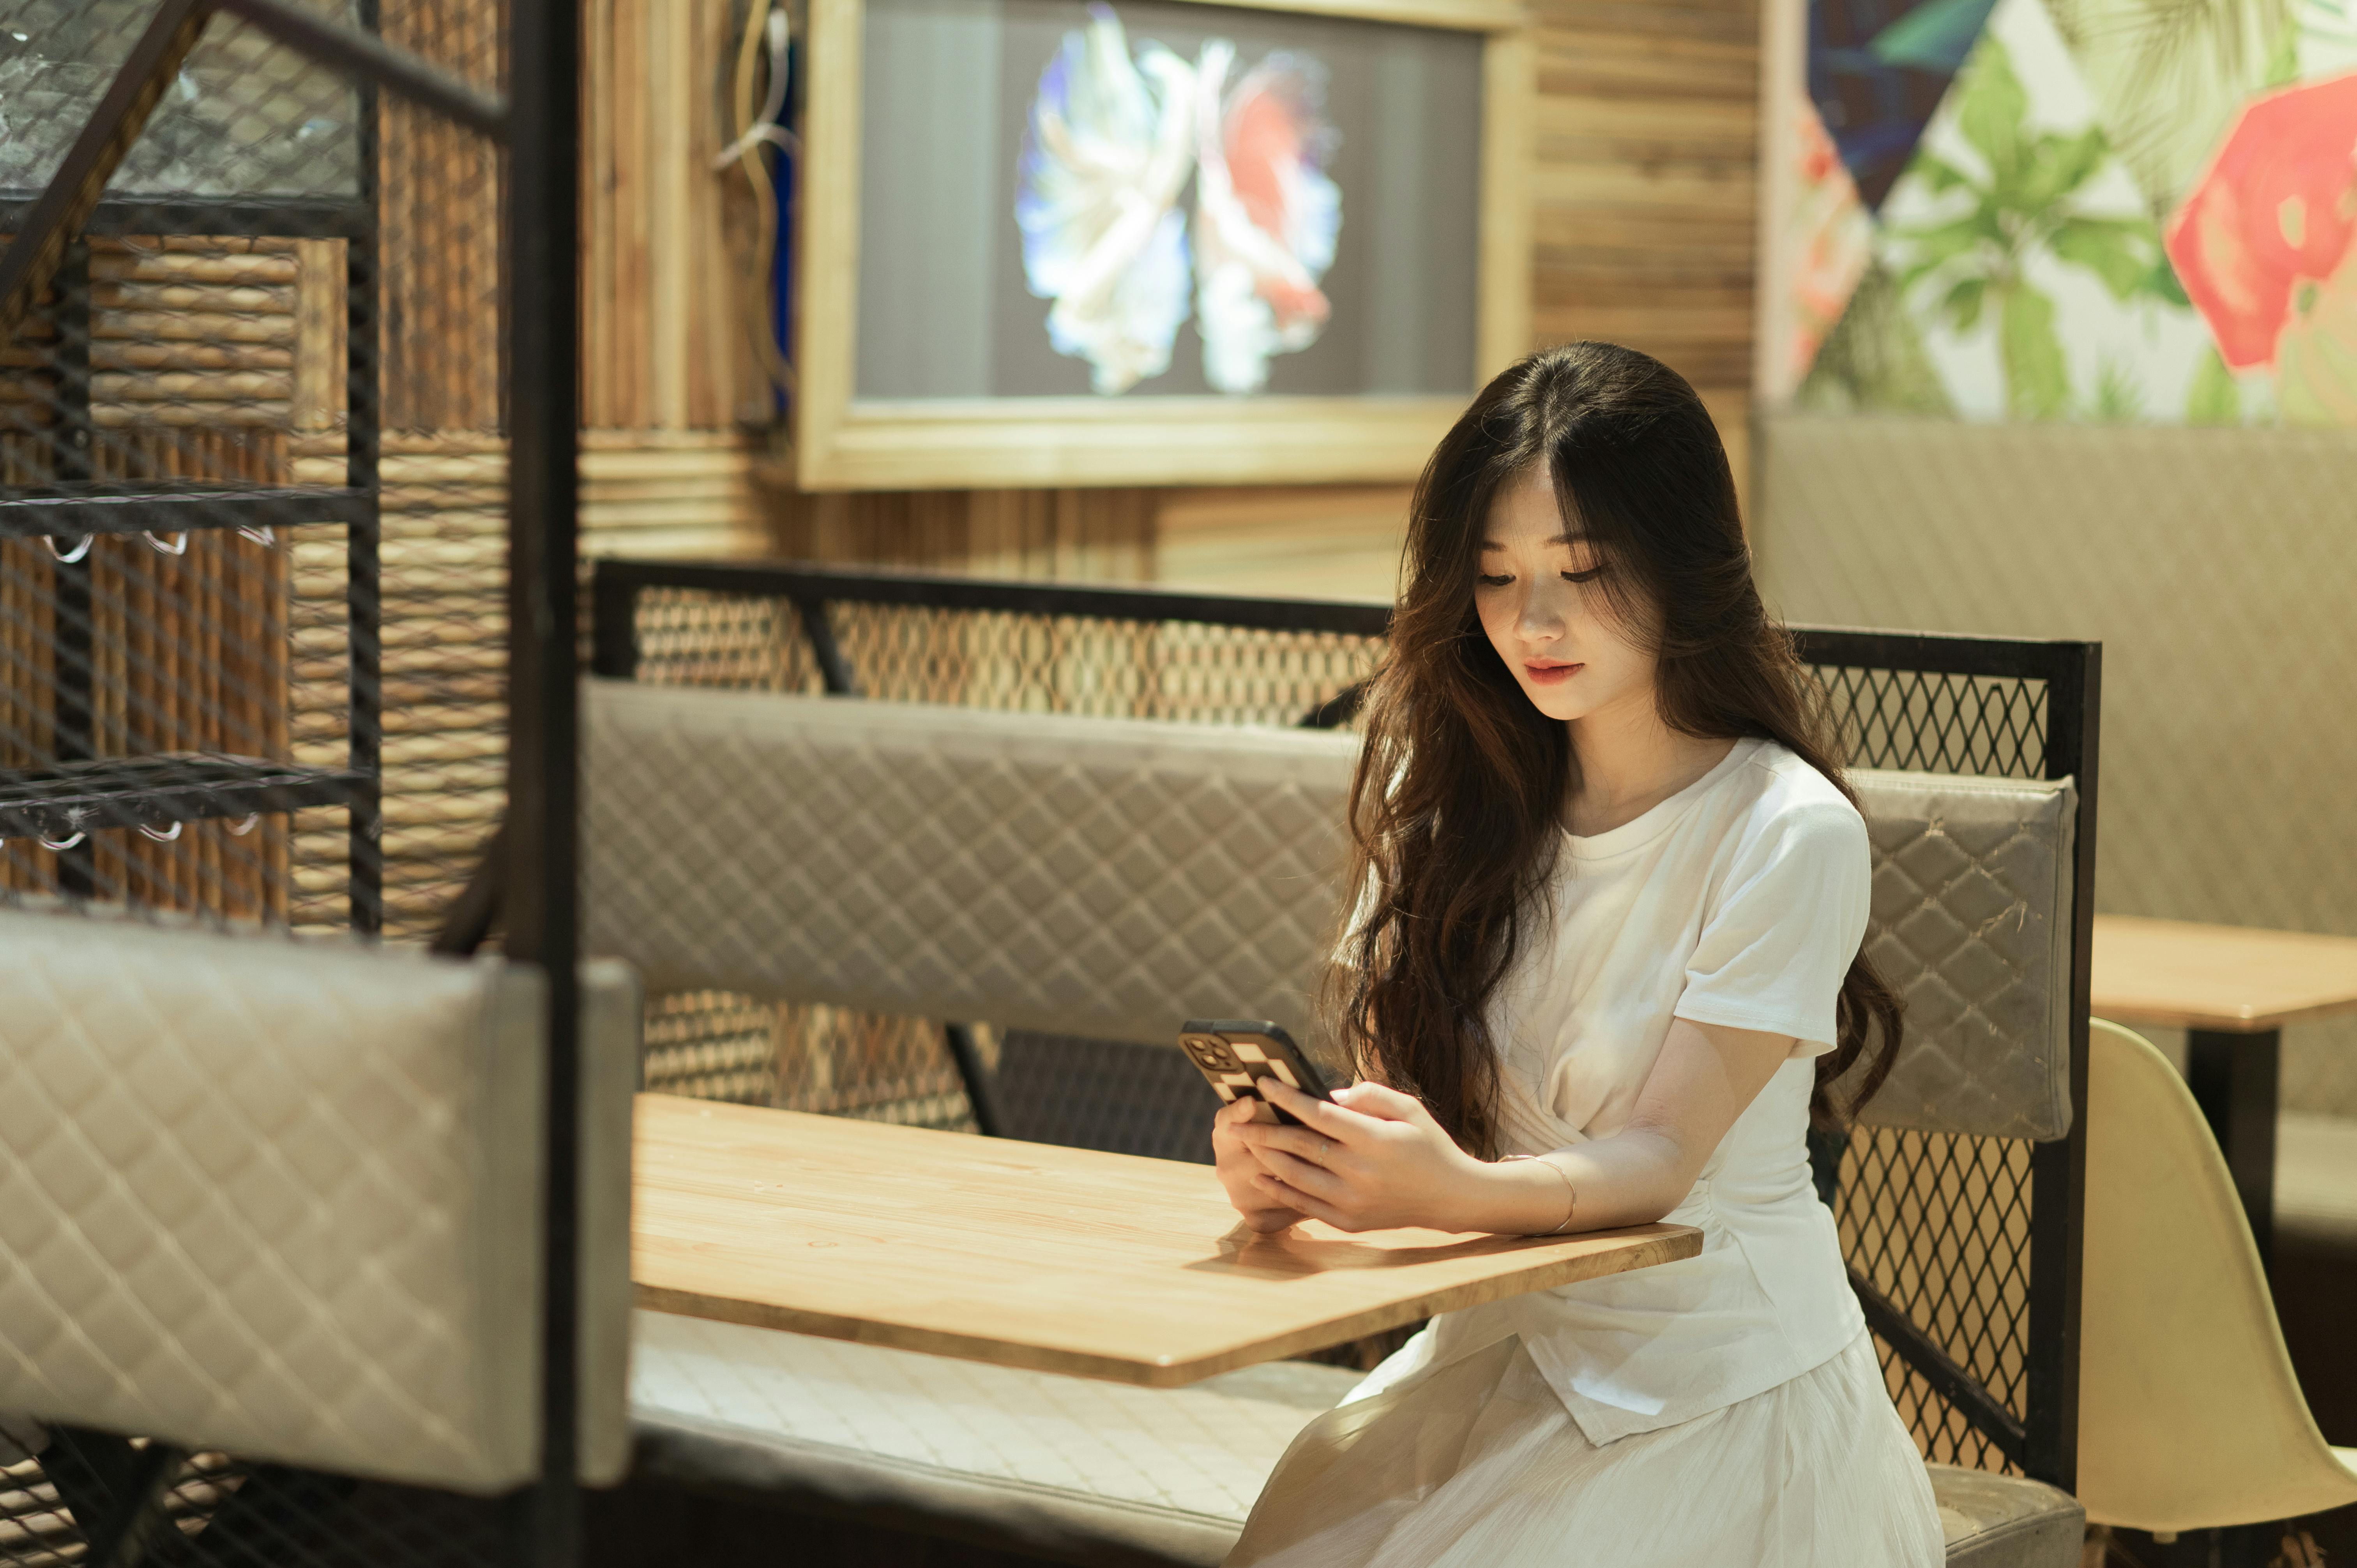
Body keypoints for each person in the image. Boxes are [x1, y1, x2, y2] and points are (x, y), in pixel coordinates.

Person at [1213, 342, 1944, 1567]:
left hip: (1713, 1386)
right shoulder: (1450, 805)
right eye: (1496, 579)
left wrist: (1443, 1192)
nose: (1532, 624)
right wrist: (1305, 1172)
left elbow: (1658, 1157)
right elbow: (1411, 1117)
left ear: (1683, 567)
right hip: (1501, 1350)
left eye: (1584, 572)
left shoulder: (1787, 830)